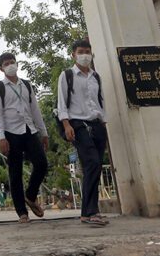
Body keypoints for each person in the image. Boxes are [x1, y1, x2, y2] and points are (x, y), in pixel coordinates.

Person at [58, 38, 109, 227]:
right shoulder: (67, 75)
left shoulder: (96, 77)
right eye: (81, 51)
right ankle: (91, 211)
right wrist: (66, 125)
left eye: (87, 51)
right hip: (78, 124)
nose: (85, 55)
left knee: (94, 168)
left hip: (96, 124)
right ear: (73, 54)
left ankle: (87, 213)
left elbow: (100, 101)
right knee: (92, 163)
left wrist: (104, 124)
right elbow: (61, 102)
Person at [0, 51, 49, 224]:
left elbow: (35, 110)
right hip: (11, 133)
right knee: (15, 173)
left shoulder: (26, 85)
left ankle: (30, 195)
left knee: (41, 163)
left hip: (29, 130)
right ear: (1, 68)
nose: (10, 65)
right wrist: (1, 137)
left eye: (12, 62)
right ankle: (22, 213)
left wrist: (43, 132)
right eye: (6, 63)